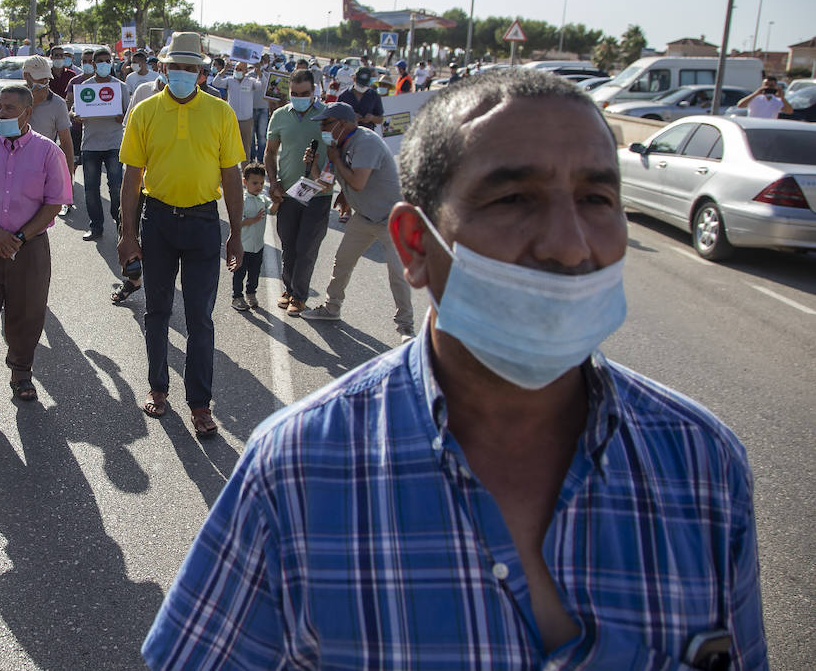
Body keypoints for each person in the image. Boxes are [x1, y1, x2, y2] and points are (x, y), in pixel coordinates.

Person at [144, 69, 767, 669]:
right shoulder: (300, 469)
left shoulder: (700, 462)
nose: (570, 243)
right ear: (416, 244)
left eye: (597, 198)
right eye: (514, 199)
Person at [118, 32, 244, 439]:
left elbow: (231, 175)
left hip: (204, 223)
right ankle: (158, 386)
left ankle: (200, 403)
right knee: (156, 312)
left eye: (191, 68)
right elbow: (132, 177)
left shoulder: (221, 112)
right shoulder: (145, 111)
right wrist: (127, 233)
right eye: (176, 67)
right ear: (164, 68)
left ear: (202, 73)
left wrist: (236, 232)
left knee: (199, 318)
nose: (183, 74)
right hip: (158, 221)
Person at [0, 84, 72, 402]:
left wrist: (19, 237)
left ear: (27, 113)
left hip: (30, 248)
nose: (0, 113)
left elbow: (54, 203)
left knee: (27, 314)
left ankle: (21, 373)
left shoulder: (48, 152)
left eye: (9, 108)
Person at [300, 102, 413, 338]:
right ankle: (332, 308)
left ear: (342, 124)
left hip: (391, 219)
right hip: (364, 216)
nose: (322, 129)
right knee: (342, 262)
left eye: (326, 124)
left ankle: (406, 327)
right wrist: (313, 166)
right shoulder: (337, 146)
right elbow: (325, 184)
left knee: (397, 274)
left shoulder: (366, 142)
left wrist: (336, 159)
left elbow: (358, 182)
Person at [265, 69, 330, 316]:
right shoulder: (280, 115)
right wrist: (273, 182)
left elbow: (337, 153)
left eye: (305, 94)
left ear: (314, 91)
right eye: (295, 93)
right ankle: (289, 289)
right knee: (289, 245)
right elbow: (270, 152)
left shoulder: (327, 116)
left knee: (306, 247)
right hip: (289, 193)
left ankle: (299, 296)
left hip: (319, 194)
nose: (300, 98)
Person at [72, 48, 129, 240]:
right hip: (90, 144)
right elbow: (74, 111)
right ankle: (96, 226)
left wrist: (121, 116)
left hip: (114, 143)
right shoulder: (85, 87)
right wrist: (76, 116)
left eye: (107, 60)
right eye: (100, 61)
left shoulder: (120, 87)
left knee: (116, 186)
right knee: (90, 188)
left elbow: (128, 115)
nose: (104, 64)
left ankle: (120, 222)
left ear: (111, 63)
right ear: (93, 64)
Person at [22, 55, 76, 184]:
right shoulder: (12, 98)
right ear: (26, 76)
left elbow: (66, 142)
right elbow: (7, 131)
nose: (43, 83)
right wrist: (32, 104)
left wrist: (68, 177)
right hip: (16, 164)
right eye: (39, 79)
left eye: (46, 79)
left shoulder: (58, 103)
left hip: (44, 165)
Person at [230, 161, 268, 311]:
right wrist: (254, 220)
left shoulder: (263, 199)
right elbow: (238, 222)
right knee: (239, 273)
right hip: (244, 246)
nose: (259, 186)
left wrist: (278, 200)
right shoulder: (242, 200)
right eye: (255, 183)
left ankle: (251, 293)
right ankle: (237, 297)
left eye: (262, 183)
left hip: (258, 246)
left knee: (254, 273)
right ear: (245, 182)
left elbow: (272, 210)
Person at [211, 60, 260, 160]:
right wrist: (225, 69)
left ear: (246, 71)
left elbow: (262, 85)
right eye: (236, 69)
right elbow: (216, 82)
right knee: (228, 146)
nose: (237, 71)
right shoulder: (230, 80)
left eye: (240, 69)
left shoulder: (251, 81)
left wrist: (259, 71)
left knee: (245, 148)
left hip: (246, 120)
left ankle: (244, 168)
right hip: (232, 120)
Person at [335, 65, 385, 130]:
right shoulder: (343, 96)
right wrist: (349, 117)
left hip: (368, 132)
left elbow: (380, 118)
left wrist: (372, 118)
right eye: (360, 84)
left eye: (364, 84)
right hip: (348, 133)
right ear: (354, 79)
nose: (362, 87)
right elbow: (335, 116)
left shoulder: (374, 95)